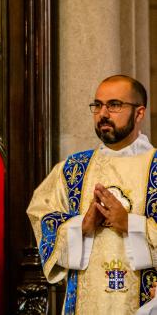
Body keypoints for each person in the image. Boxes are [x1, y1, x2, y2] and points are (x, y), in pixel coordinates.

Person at [27, 75, 157, 314]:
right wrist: (80, 227)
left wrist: (130, 223)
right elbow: (41, 215)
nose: (103, 113)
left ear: (139, 113)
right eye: (97, 105)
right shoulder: (72, 169)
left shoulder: (155, 167)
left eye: (114, 105)